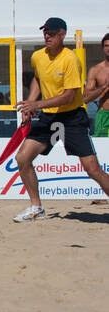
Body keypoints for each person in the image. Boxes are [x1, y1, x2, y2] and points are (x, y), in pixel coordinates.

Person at [13, 17, 109, 221]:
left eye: (51, 33)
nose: (47, 36)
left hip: (72, 117)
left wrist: (36, 105)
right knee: (22, 158)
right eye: (45, 32)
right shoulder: (38, 56)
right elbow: (37, 79)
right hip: (49, 117)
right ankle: (36, 207)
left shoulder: (70, 59)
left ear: (62, 35)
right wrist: (30, 103)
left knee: (92, 169)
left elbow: (70, 95)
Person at [84, 32, 109, 137]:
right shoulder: (96, 70)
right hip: (104, 115)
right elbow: (86, 98)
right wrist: (104, 87)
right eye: (106, 45)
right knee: (103, 150)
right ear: (103, 48)